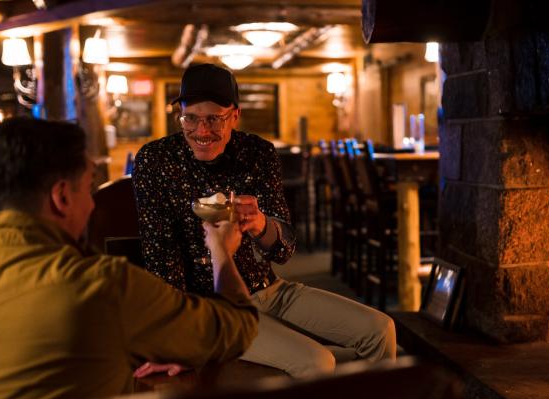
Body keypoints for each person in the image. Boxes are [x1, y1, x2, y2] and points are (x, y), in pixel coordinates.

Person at [0, 117, 258, 399]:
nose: (92, 204)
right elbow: (237, 327)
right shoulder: (102, 286)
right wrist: (221, 251)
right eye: (89, 187)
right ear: (61, 197)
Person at [133, 63, 396, 377]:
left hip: (271, 290)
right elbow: (160, 259)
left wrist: (259, 223)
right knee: (317, 361)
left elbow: (284, 250)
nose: (202, 131)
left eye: (214, 118)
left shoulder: (258, 153)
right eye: (191, 118)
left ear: (235, 115)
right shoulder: (156, 160)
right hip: (212, 309)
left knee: (381, 329)